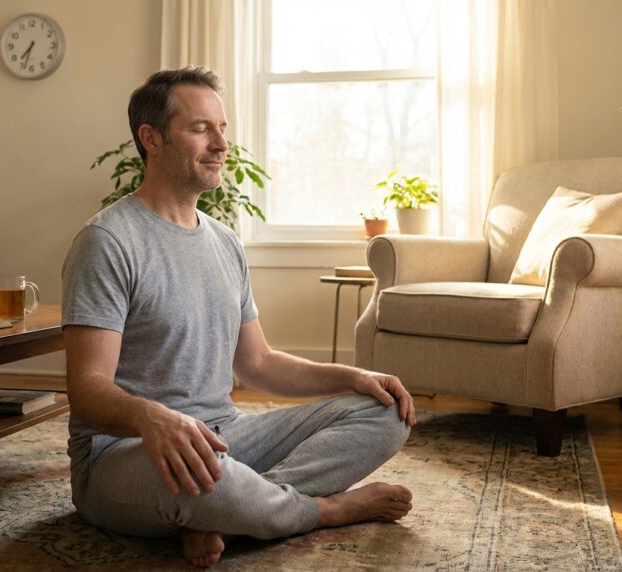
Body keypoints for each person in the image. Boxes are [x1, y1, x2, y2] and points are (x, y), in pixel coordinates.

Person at [61, 67, 416, 569]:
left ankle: (227, 513)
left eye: (222, 129)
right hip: (123, 452)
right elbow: (87, 389)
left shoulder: (225, 241)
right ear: (151, 138)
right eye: (200, 128)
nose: (220, 144)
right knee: (213, 479)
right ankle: (323, 511)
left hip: (224, 436)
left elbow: (259, 365)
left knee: (386, 413)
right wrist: (151, 415)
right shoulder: (108, 242)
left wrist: (355, 377)